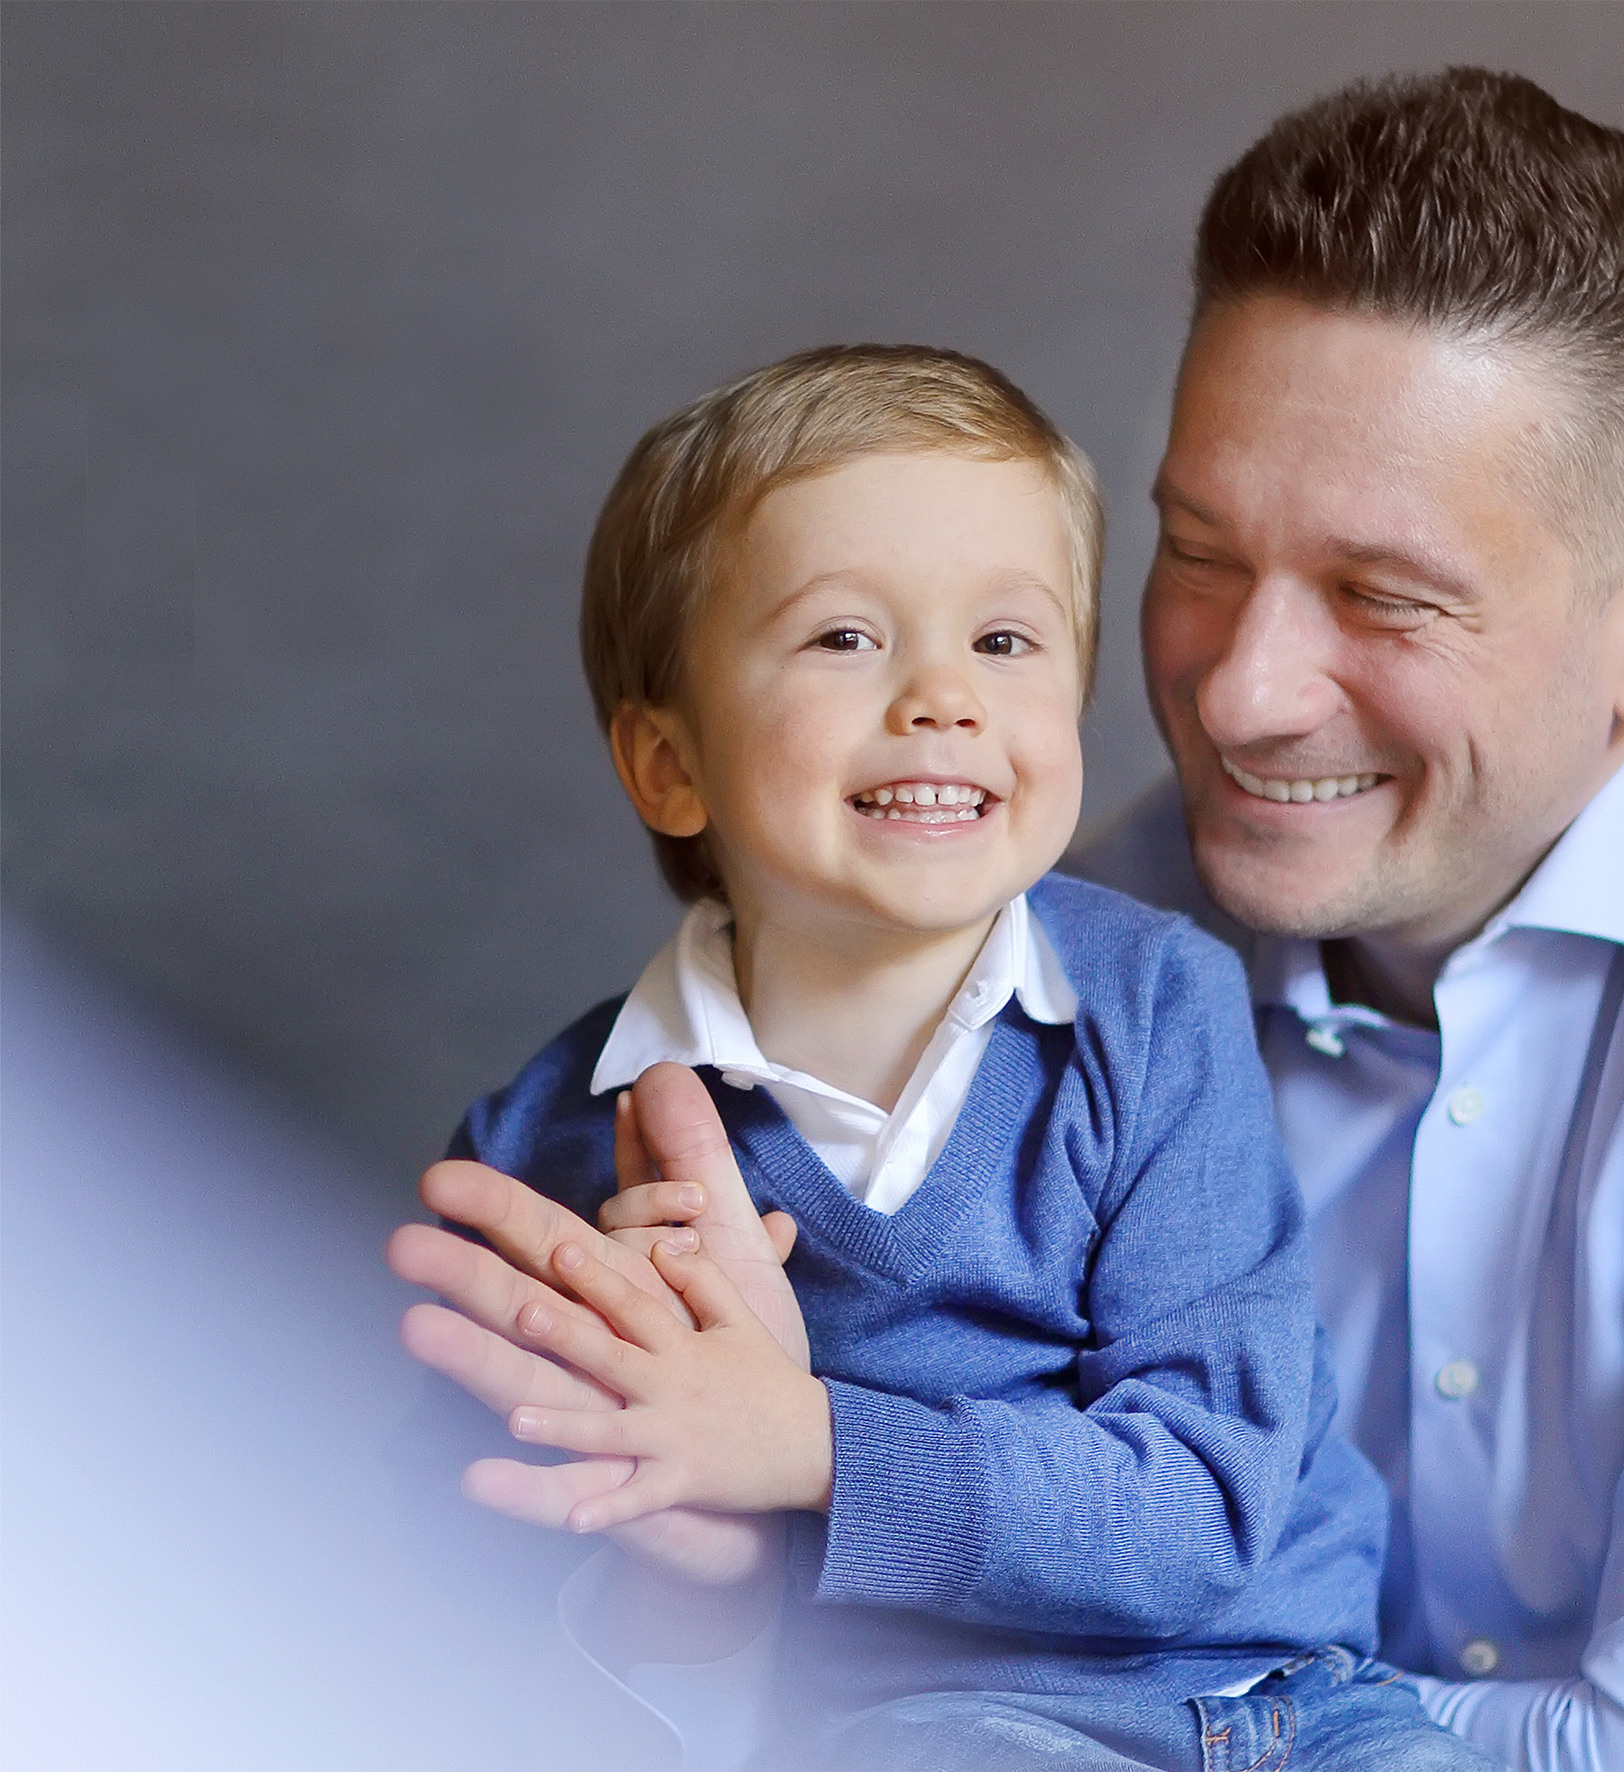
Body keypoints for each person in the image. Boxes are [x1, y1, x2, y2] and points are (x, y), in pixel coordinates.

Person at [404, 70, 1624, 1772]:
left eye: (1384, 601)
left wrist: (1121, 1666)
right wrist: (716, 1561)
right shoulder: (1075, 952)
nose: (1238, 696)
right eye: (1202, 557)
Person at [388, 343, 1503, 1771]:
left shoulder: (1155, 1011)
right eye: (845, 638)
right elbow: (449, 1614)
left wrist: (808, 1440)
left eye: (1005, 641)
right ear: (669, 762)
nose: (941, 698)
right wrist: (686, 1554)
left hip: (1292, 1705)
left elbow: (1207, 1509)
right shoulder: (549, 1149)